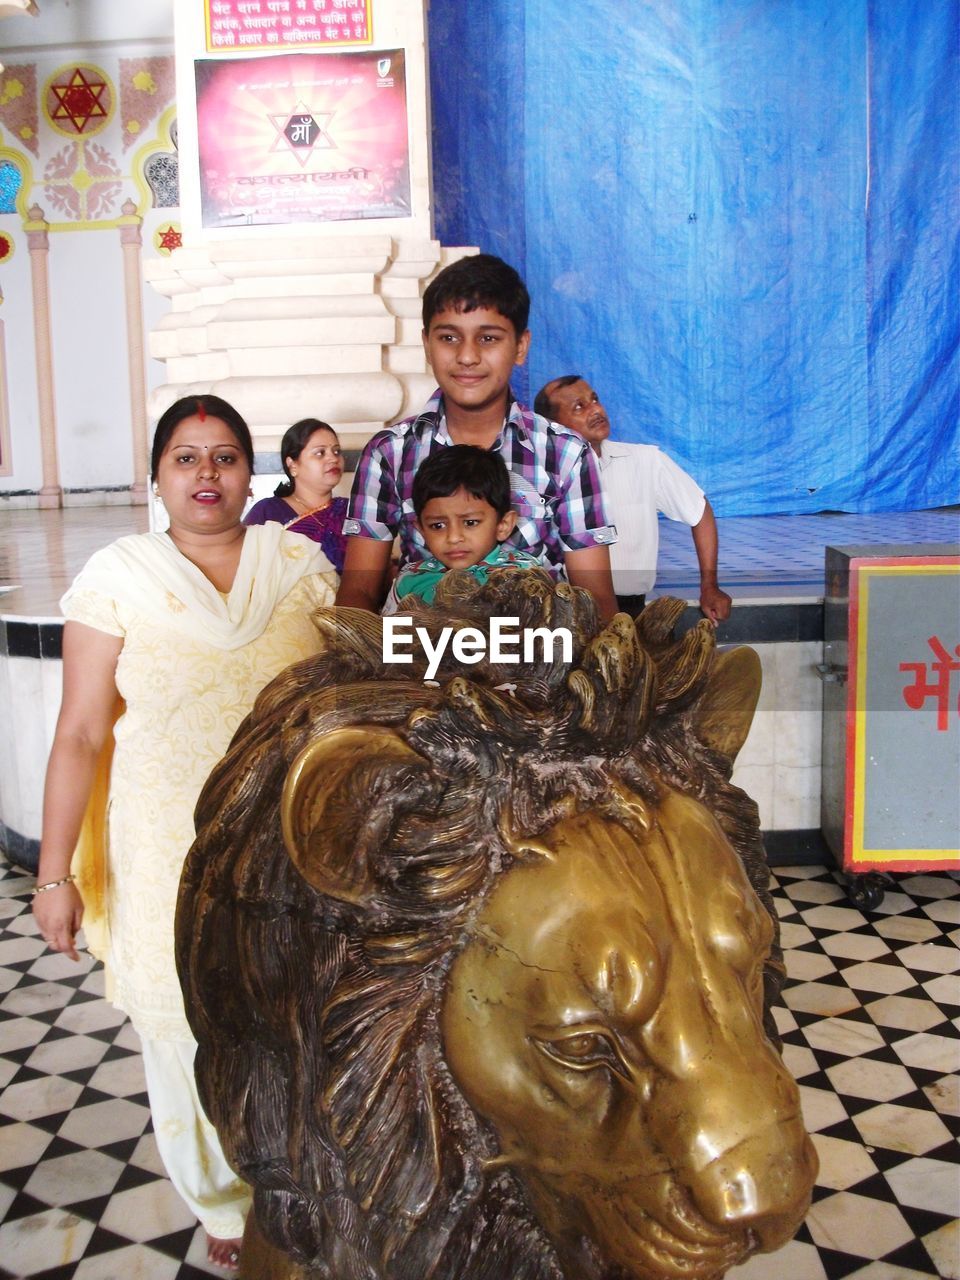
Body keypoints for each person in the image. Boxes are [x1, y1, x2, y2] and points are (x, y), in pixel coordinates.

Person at [31, 394, 336, 1273]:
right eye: (187, 458)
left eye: (226, 456)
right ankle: (221, 1199)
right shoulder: (117, 575)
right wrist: (56, 876)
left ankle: (299, 1174)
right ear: (158, 476)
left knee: (293, 1013)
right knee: (183, 1030)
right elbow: (82, 731)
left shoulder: (297, 563)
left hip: (287, 839)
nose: (208, 474)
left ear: (252, 473)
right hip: (164, 845)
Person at [335, 254, 618, 619]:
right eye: (449, 337)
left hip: (539, 659)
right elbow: (357, 591)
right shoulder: (389, 453)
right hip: (420, 661)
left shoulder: (566, 454)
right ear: (426, 344)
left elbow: (595, 597)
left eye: (488, 338)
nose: (467, 356)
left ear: (520, 347)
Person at [534, 376, 732, 624]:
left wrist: (709, 586)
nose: (596, 409)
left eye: (594, 399)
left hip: (632, 612)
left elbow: (699, 512)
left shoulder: (645, 460)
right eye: (579, 406)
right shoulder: (538, 476)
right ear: (553, 426)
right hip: (562, 613)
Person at [386, 444, 540, 609]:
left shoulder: (525, 575)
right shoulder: (411, 580)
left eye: (470, 523)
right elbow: (385, 632)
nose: (453, 537)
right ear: (422, 530)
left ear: (503, 525)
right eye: (437, 525)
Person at [244, 417, 347, 573]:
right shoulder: (268, 512)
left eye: (336, 451)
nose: (333, 458)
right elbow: (247, 572)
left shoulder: (351, 512)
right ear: (292, 464)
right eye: (320, 453)